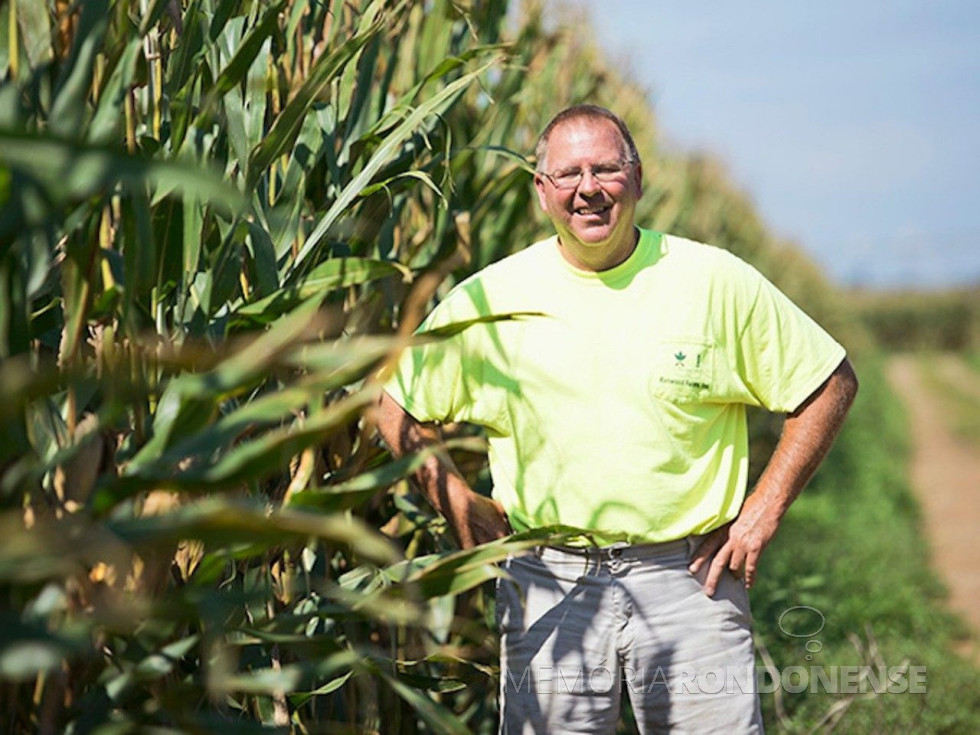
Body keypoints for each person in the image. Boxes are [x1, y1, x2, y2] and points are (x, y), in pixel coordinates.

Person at [376, 104, 858, 734]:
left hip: (690, 583)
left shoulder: (712, 282)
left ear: (637, 178)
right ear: (541, 190)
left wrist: (762, 512)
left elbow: (829, 383)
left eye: (606, 169)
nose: (589, 189)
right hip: (549, 583)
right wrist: (457, 501)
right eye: (568, 174)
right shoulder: (492, 300)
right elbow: (394, 406)